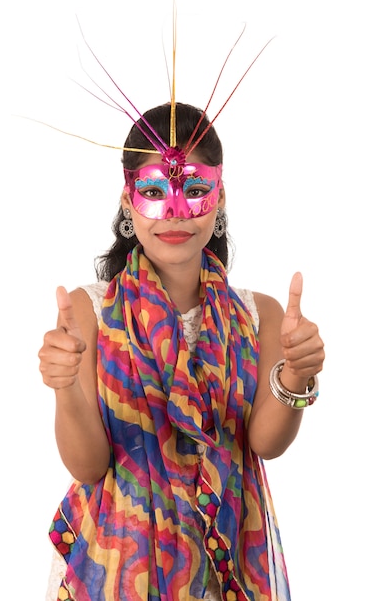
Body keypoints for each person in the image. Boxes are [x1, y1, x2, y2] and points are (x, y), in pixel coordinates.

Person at [39, 102, 325, 601]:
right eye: (153, 192)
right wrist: (64, 389)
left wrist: (296, 374)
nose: (175, 212)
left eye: (194, 191)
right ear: (128, 202)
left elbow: (263, 443)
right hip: (116, 570)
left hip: (225, 564)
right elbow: (88, 467)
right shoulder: (90, 312)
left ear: (220, 197)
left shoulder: (261, 315)